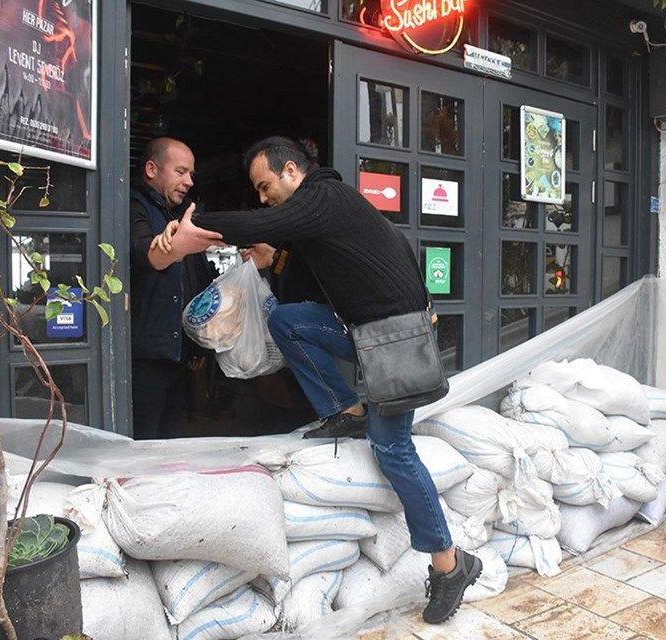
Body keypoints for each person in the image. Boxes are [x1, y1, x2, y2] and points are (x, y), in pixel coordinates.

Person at [160, 136, 481, 623]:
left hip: (394, 341)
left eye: (266, 186)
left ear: (292, 171)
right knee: (289, 321)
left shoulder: (324, 196)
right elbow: (302, 280)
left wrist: (198, 223)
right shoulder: (320, 219)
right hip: (363, 336)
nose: (264, 198)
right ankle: (347, 409)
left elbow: (265, 222)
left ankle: (449, 563)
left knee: (393, 448)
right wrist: (274, 260)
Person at [129, 136, 223, 440]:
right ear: (152, 169)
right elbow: (147, 255)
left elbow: (195, 282)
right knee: (145, 440)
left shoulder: (178, 216)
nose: (189, 182)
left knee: (172, 439)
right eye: (181, 172)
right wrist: (177, 245)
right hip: (146, 356)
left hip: (179, 354)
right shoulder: (133, 205)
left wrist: (197, 344)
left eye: (191, 174)